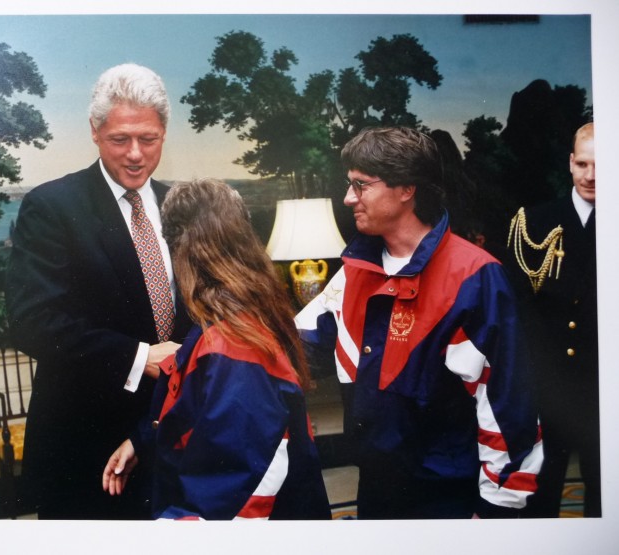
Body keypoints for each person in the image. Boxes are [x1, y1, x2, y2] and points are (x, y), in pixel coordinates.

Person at [295, 126, 543, 519]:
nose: (348, 198)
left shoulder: (473, 277)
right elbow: (294, 344)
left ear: (406, 188)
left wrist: (497, 511)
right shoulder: (355, 271)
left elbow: (507, 403)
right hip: (377, 492)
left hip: (448, 500)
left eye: (360, 186)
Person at [5, 63, 192, 519]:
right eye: (119, 139)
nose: (134, 154)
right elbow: (33, 322)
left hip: (177, 432)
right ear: (94, 131)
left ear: (164, 132)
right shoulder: (52, 206)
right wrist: (137, 357)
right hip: (85, 444)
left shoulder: (182, 207)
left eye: (148, 140)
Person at [102, 178, 331, 520]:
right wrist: (143, 439)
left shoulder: (232, 343)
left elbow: (238, 491)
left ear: (181, 250)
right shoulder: (237, 320)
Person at [506, 122, 599, 517]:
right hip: (550, 388)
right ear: (570, 163)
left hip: (604, 390)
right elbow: (516, 310)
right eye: (582, 163)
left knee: (607, 502)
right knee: (539, 500)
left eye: (602, 164)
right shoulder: (535, 223)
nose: (591, 176)